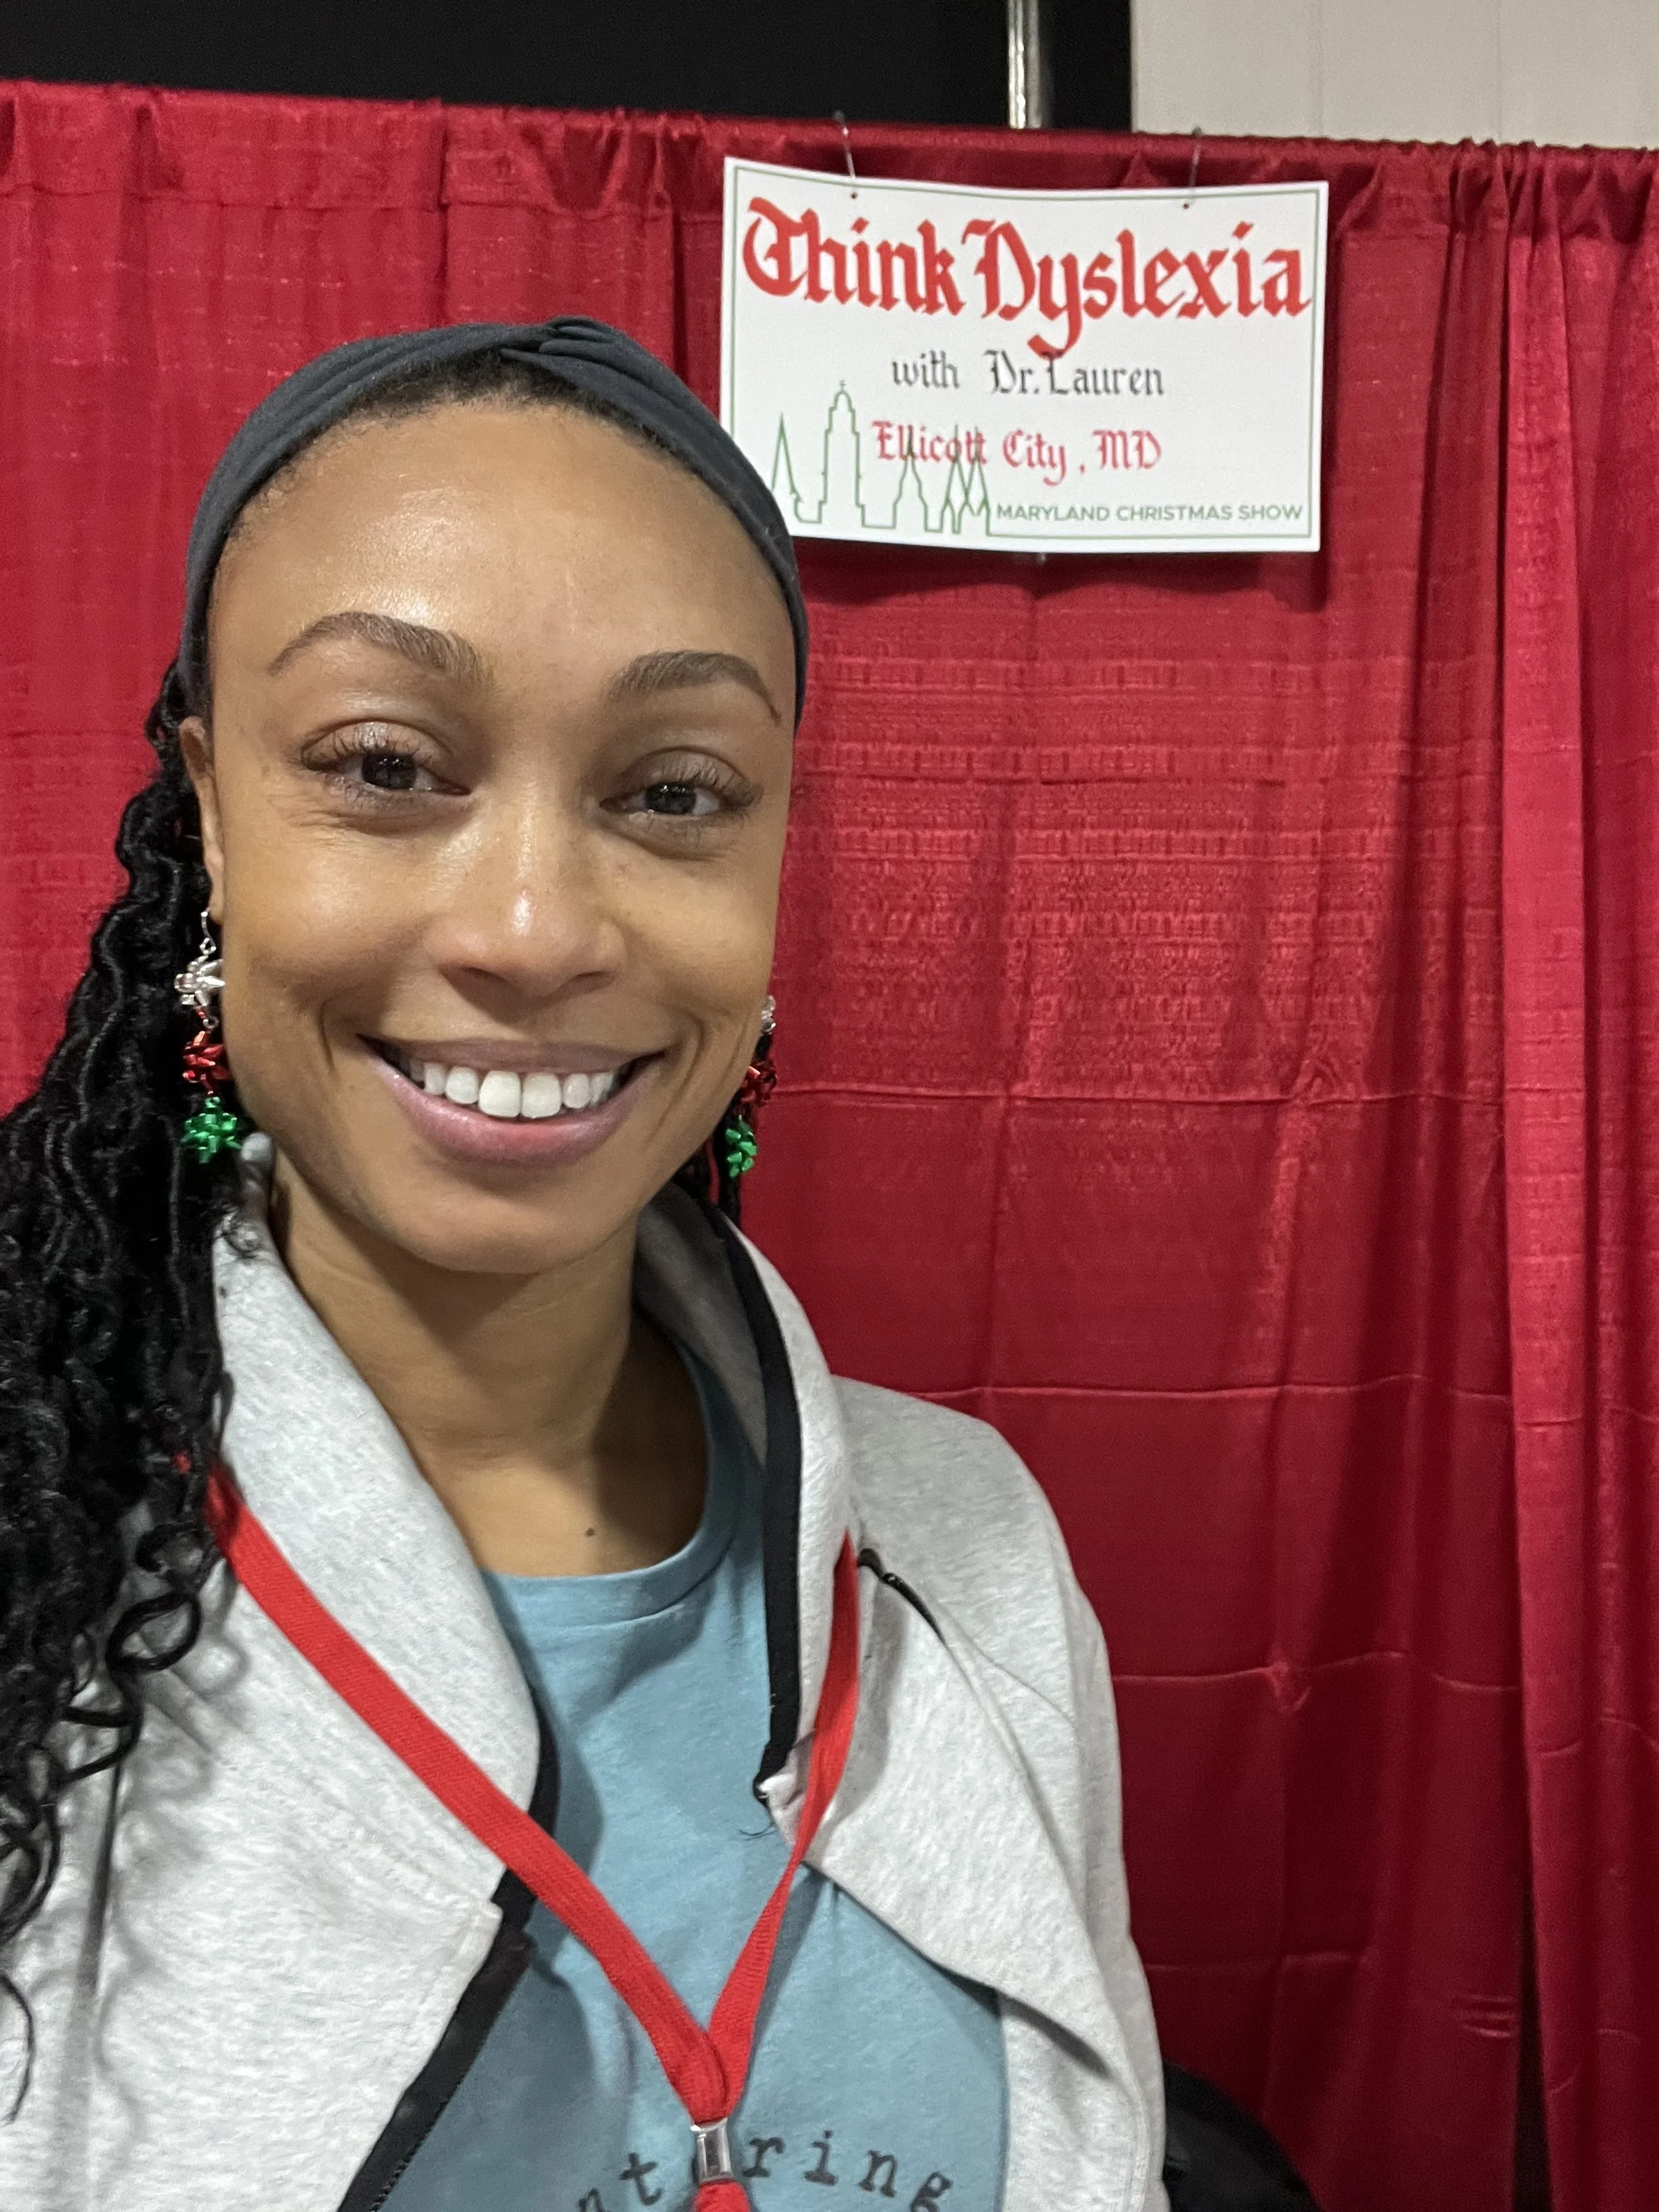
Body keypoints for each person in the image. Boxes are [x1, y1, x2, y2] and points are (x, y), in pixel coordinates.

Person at [0, 319, 1167, 2212]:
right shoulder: (38, 1580)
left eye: (674, 791)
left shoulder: (970, 1550)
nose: (535, 927)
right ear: (212, 814)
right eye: (386, 763)